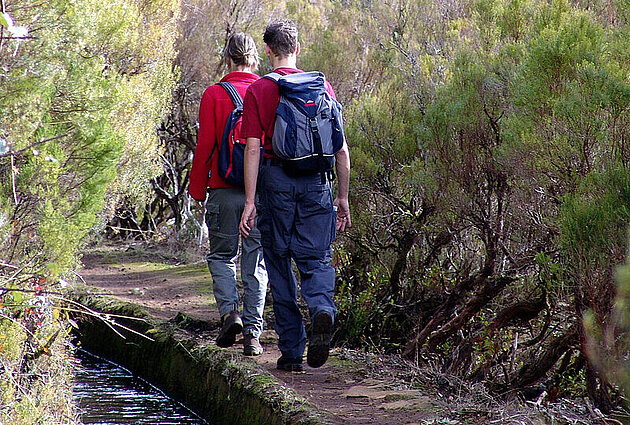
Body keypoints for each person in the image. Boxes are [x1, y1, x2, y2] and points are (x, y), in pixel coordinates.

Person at [239, 20, 351, 371]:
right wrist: (343, 198)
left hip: (275, 183)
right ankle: (322, 310)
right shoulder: (322, 86)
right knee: (316, 258)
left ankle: (291, 352)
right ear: (297, 49)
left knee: (278, 261)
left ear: (268, 51)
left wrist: (250, 201)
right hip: (318, 183)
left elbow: (253, 150)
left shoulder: (259, 91)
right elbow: (342, 150)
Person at [189, 33, 268, 356]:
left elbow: (205, 145)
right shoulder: (268, 91)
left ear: (228, 58)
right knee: (255, 260)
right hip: (260, 192)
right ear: (254, 58)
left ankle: (230, 313)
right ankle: (253, 334)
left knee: (222, 256)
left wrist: (197, 188)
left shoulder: (214, 94)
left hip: (223, 190)